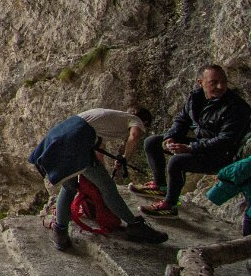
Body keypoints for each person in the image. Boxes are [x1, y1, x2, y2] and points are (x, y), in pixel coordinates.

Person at [28, 107, 168, 250]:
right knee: (108, 188)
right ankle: (135, 226)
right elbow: (134, 135)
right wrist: (125, 157)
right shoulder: (134, 119)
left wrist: (105, 168)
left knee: (69, 187)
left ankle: (60, 233)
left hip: (58, 138)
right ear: (144, 122)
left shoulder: (107, 118)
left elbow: (97, 150)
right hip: (76, 142)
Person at [134, 65, 251, 217]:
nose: (220, 86)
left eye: (223, 82)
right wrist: (170, 137)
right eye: (214, 82)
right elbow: (182, 120)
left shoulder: (236, 107)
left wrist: (190, 147)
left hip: (224, 156)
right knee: (152, 142)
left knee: (177, 162)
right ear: (200, 82)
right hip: (204, 146)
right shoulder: (196, 98)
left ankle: (170, 205)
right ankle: (160, 186)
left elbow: (225, 141)